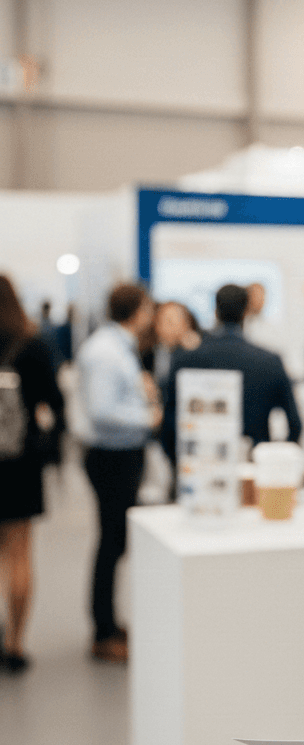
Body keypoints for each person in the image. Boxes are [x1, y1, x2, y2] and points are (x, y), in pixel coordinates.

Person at [77, 283, 161, 663]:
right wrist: (148, 417)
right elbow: (102, 411)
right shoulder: (106, 352)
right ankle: (103, 630)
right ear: (139, 310)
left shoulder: (116, 347)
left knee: (114, 543)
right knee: (110, 545)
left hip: (121, 454)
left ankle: (109, 623)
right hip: (112, 456)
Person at [0, 276, 65, 673]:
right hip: (19, 466)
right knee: (20, 553)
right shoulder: (32, 345)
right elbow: (55, 405)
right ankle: (15, 643)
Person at [161, 284, 302, 467]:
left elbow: (169, 423)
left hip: (199, 467)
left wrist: (181, 463)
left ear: (215, 312)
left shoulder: (185, 360)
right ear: (246, 312)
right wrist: (274, 463)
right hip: (253, 469)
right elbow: (295, 424)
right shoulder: (270, 361)